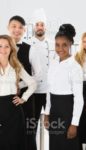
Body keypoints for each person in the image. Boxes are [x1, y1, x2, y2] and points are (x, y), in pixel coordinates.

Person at [44, 24, 84, 150]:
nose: (60, 48)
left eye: (64, 45)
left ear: (71, 44)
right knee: (55, 145)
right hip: (54, 111)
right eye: (57, 44)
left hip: (68, 112)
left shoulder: (75, 67)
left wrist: (74, 124)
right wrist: (47, 113)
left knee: (68, 145)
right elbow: (49, 90)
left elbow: (79, 99)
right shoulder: (53, 63)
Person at [8, 15, 41, 150]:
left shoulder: (31, 49)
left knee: (28, 132)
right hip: (5, 97)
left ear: (24, 30)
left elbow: (38, 76)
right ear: (8, 28)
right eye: (14, 26)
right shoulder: (2, 47)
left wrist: (20, 85)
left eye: (20, 27)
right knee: (9, 133)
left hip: (27, 98)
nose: (17, 30)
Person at [0, 35, 36, 150]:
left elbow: (32, 83)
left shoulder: (16, 67)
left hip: (13, 109)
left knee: (14, 142)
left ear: (11, 49)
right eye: (0, 46)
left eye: (7, 46)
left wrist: (23, 98)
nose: (3, 49)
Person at [28, 8, 55, 135]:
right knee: (31, 127)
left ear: (45, 27)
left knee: (54, 126)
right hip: (34, 91)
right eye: (37, 25)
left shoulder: (53, 44)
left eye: (42, 25)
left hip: (50, 90)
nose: (39, 27)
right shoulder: (28, 44)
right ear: (34, 27)